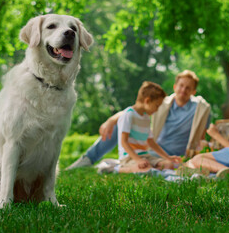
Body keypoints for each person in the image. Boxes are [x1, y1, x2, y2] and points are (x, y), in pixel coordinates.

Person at [66, 70, 211, 170]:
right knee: (120, 125)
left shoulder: (200, 109)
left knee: (148, 163)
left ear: (193, 91)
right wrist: (112, 119)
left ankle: (118, 165)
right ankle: (88, 159)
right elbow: (135, 110)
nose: (183, 90)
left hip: (171, 152)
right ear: (175, 86)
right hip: (151, 149)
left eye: (188, 88)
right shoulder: (162, 103)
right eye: (181, 86)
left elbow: (202, 136)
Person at [114, 81, 182, 173]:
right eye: (156, 105)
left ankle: (152, 171)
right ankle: (117, 169)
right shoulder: (128, 115)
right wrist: (138, 160)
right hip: (129, 157)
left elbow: (151, 142)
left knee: (168, 165)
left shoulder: (146, 118)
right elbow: (124, 142)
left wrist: (168, 157)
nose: (157, 109)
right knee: (145, 168)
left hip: (145, 156)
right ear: (147, 101)